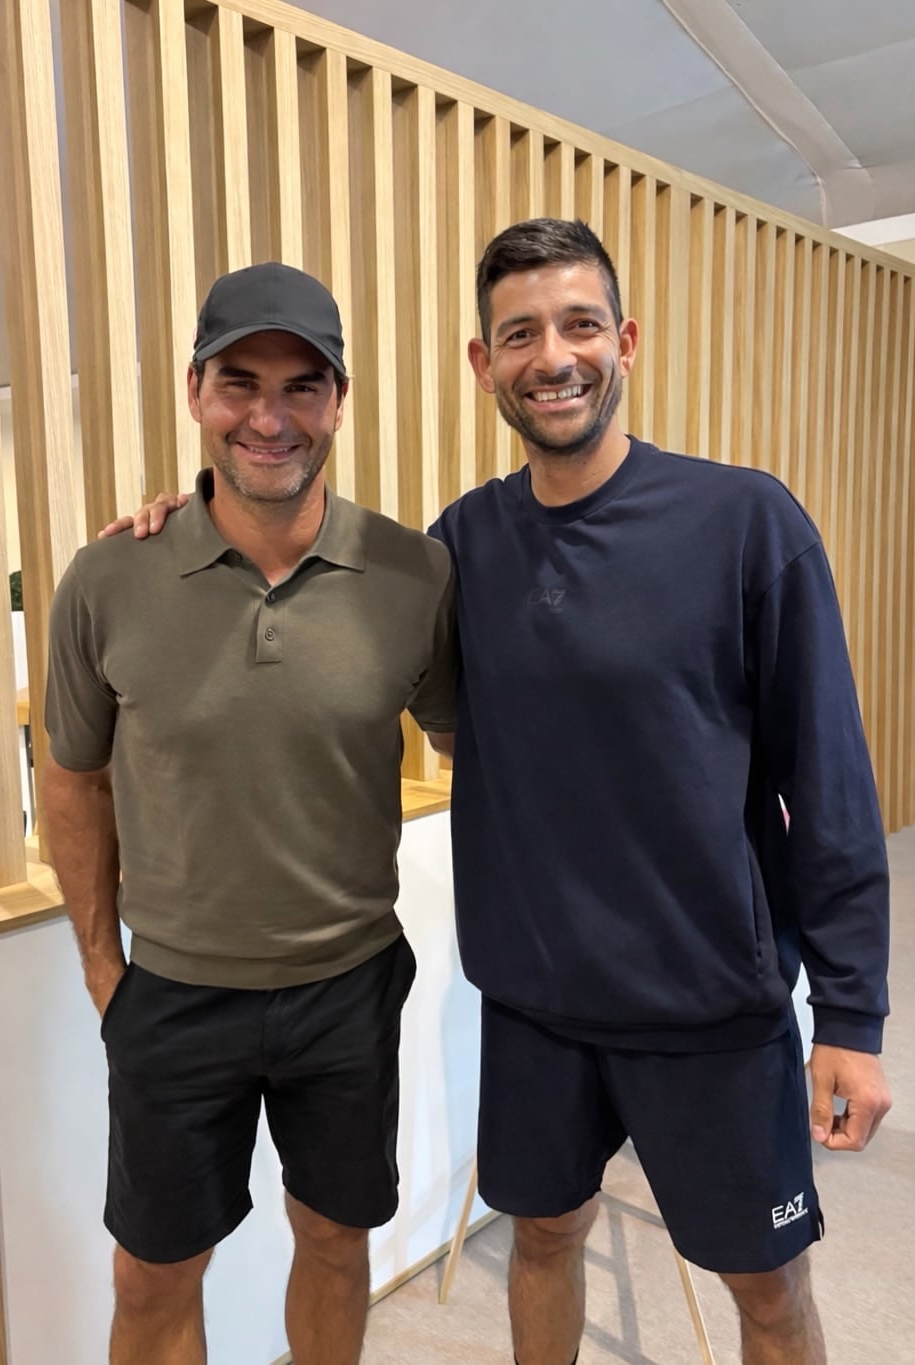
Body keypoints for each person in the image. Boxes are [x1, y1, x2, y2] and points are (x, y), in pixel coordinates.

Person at [120, 220, 893, 1365]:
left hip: (710, 1005)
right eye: (518, 333)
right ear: (482, 364)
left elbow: (826, 779)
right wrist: (172, 534)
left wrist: (852, 1015)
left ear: (623, 340)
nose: (553, 355)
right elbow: (306, 596)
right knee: (541, 1240)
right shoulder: (457, 552)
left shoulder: (744, 523)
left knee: (768, 1291)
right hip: (534, 1004)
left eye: (579, 324)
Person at [43, 261, 456, 1365]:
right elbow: (72, 776)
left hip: (347, 985)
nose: (269, 418)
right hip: (175, 991)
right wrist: (100, 963)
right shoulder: (109, 577)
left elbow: (484, 745)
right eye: (240, 382)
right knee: (152, 1276)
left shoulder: (413, 574)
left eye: (302, 386)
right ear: (194, 392)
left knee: (332, 1239)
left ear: (338, 402)